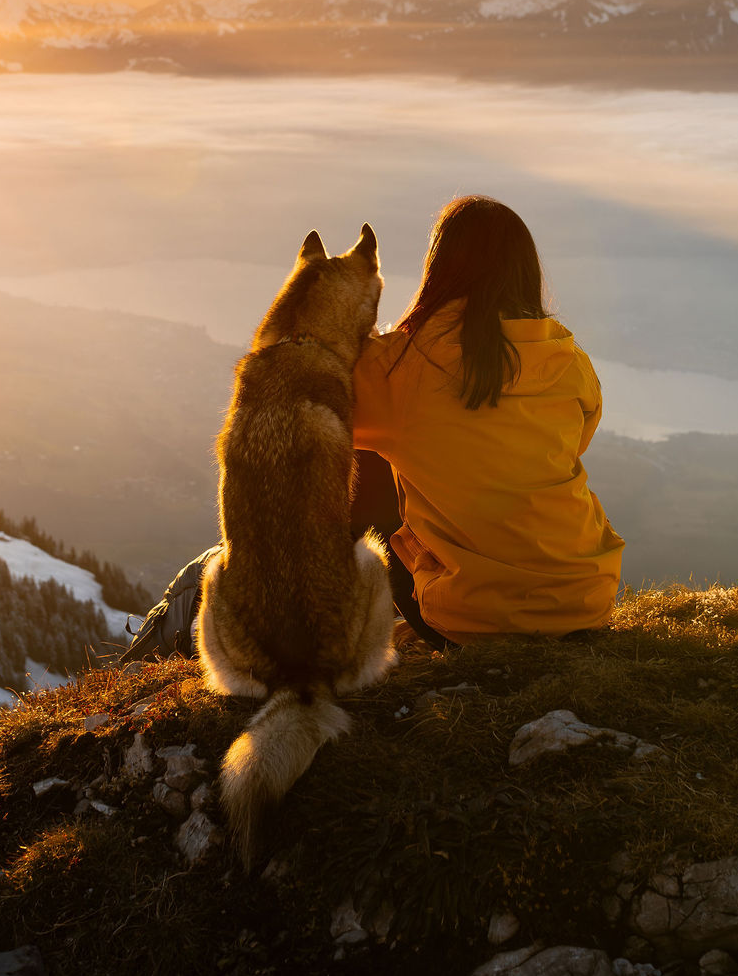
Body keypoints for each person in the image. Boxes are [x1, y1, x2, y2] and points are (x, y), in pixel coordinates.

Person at [115, 195, 621, 661]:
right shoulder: (568, 358)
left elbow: (303, 380)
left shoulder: (402, 367)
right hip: (586, 600)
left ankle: (206, 640)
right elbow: (571, 445)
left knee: (360, 459)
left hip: (475, 623)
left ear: (440, 269)